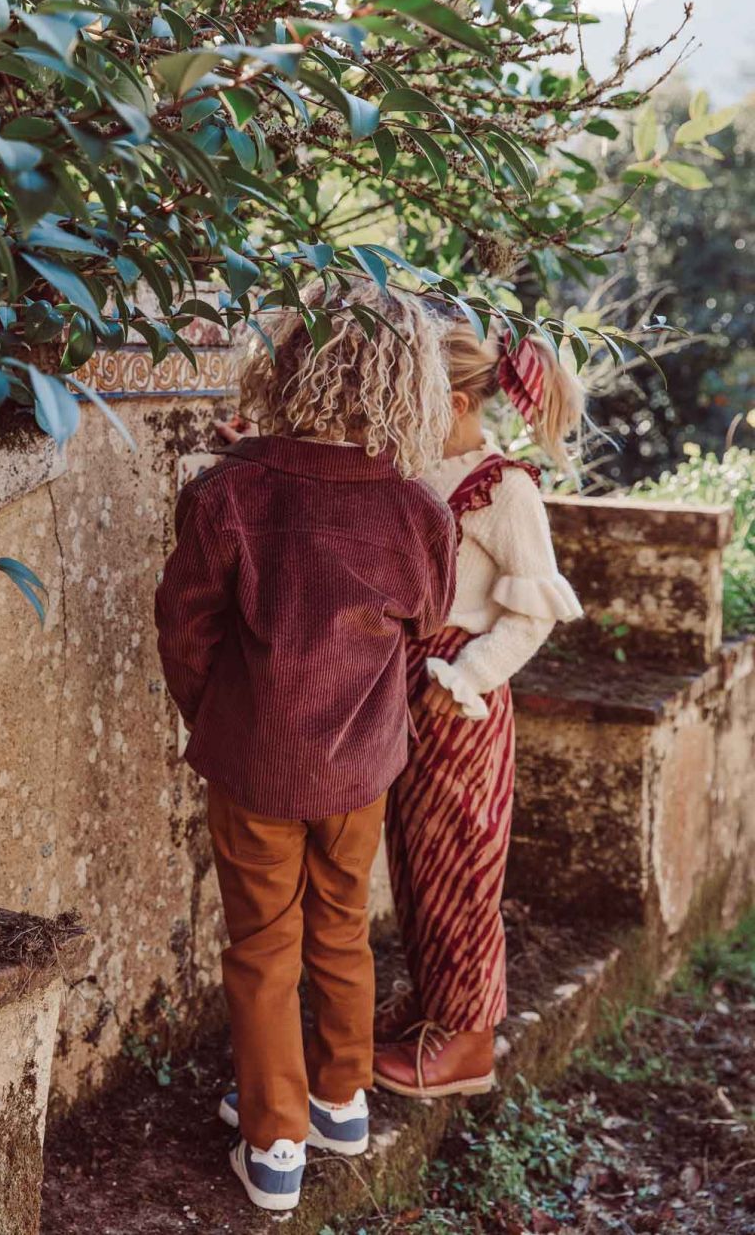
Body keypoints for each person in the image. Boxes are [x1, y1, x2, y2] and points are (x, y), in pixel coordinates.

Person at [155, 281, 457, 1212]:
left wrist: (218, 718)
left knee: (263, 944)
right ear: (411, 383)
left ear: (288, 362)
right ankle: (341, 1098)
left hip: (256, 763)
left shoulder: (228, 494)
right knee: (341, 925)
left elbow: (185, 632)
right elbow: (426, 621)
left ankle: (276, 1141)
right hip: (363, 766)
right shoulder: (419, 510)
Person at [373, 313, 584, 1100]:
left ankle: (468, 1042)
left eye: (413, 399)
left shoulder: (506, 490)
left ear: (457, 404)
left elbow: (532, 615)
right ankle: (435, 1004)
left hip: (459, 703)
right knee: (415, 862)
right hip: (403, 690)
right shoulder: (416, 469)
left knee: (461, 866)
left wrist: (467, 676)